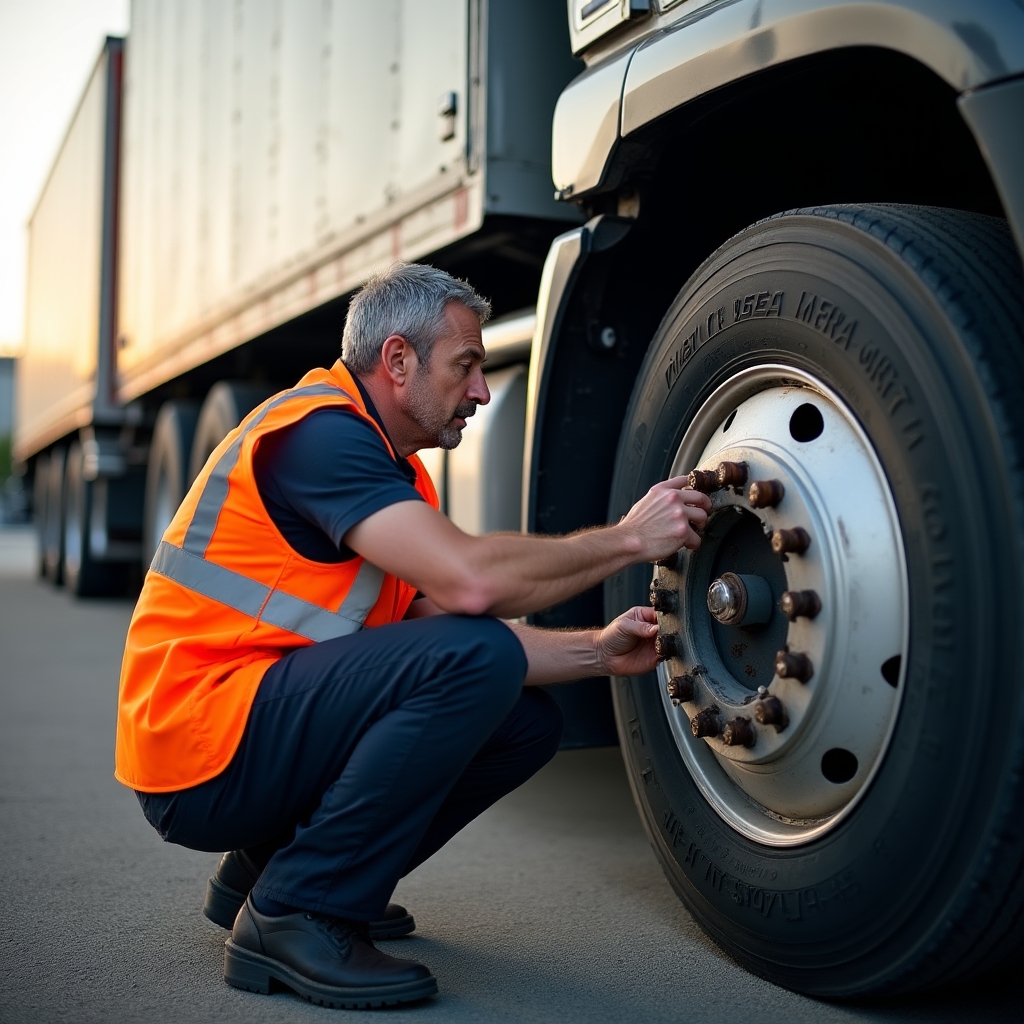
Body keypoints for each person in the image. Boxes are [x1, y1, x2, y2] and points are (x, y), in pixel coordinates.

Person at [114, 262, 711, 1010]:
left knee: (523, 721)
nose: (483, 391)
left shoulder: (395, 472)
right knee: (480, 654)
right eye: (466, 366)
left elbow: (429, 633)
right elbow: (471, 587)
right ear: (397, 362)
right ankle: (299, 910)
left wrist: (597, 651)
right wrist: (627, 540)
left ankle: (267, 871)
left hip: (246, 725)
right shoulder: (318, 438)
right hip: (197, 746)